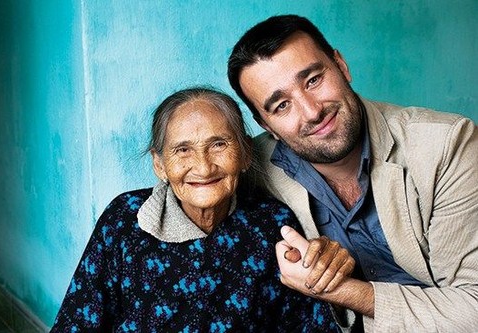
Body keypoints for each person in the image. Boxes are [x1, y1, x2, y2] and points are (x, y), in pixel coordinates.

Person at [227, 14, 478, 332]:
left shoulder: (446, 145)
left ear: (341, 66)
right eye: (281, 106)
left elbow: (474, 307)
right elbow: (189, 181)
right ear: (266, 126)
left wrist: (340, 289)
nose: (312, 111)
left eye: (313, 80)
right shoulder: (256, 165)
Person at [50, 87, 349, 332]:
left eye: (218, 144)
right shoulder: (125, 220)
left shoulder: (272, 223)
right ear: (159, 164)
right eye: (183, 150)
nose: (204, 167)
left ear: (245, 154)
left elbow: (307, 324)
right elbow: (77, 321)